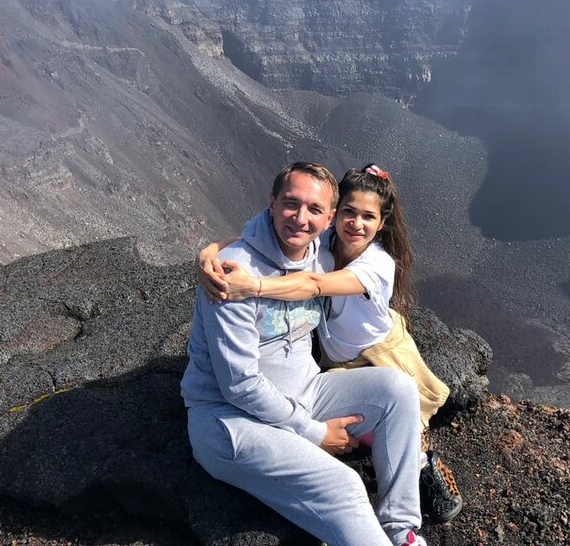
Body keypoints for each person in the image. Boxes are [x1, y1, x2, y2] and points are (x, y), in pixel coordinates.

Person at [181, 162, 429, 546]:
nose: (300, 218)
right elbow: (239, 386)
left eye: (314, 210)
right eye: (290, 204)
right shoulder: (231, 276)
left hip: (305, 393)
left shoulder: (320, 256)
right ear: (272, 204)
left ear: (329, 218)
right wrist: (315, 434)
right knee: (343, 484)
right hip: (230, 420)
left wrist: (214, 254)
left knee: (397, 389)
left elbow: (312, 283)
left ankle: (403, 529)